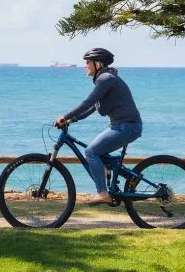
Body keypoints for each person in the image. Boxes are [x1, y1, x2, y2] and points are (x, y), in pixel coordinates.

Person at [54, 47, 142, 206]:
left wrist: (65, 116)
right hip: (124, 126)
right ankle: (130, 176)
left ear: (98, 64)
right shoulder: (106, 79)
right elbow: (91, 108)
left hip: (126, 126)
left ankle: (102, 193)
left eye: (88, 62)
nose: (85, 65)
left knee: (91, 151)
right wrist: (71, 120)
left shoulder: (105, 79)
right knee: (99, 154)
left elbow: (87, 102)